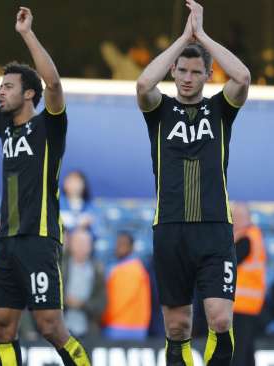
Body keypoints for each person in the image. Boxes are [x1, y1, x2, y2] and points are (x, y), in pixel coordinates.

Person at [0, 7, 90, 366]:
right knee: (1, 326)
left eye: (8, 87)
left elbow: (55, 85)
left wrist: (27, 34)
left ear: (29, 94)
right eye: (0, 86)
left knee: (49, 326)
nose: (0, 92)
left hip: (39, 238)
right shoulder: (4, 126)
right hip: (7, 241)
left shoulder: (50, 126)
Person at [136, 0, 251, 364]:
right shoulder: (160, 111)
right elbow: (142, 83)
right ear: (173, 71)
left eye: (195, 71)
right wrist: (183, 38)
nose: (187, 77)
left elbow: (244, 77)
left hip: (215, 228)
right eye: (181, 70)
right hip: (170, 227)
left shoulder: (220, 110)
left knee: (220, 317)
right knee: (177, 328)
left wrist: (202, 36)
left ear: (207, 76)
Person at [231, 203, 266, 366]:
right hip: (250, 305)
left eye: (238, 217)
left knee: (238, 353)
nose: (235, 221)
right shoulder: (254, 235)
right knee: (246, 351)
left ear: (247, 218)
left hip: (242, 306)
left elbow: (229, 262)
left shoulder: (246, 239)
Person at [101, 232, 151, 340]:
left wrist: (104, 319)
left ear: (131, 247)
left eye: (123, 244)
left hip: (122, 327)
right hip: (131, 327)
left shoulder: (132, 269)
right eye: (118, 244)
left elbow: (119, 301)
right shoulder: (133, 268)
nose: (119, 248)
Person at [62, 229, 106, 339]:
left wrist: (82, 304)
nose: (81, 247)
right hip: (61, 329)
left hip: (88, 331)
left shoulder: (98, 270)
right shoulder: (60, 266)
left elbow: (102, 303)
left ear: (91, 246)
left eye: (85, 243)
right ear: (71, 244)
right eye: (78, 243)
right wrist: (65, 301)